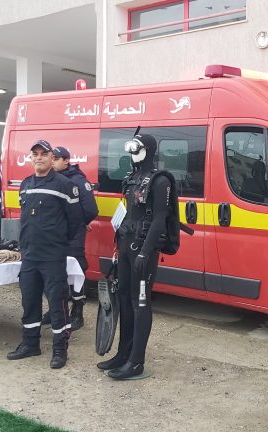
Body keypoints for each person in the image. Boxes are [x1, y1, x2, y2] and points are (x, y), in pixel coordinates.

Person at [96, 134, 171, 380]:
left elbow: (159, 220)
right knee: (125, 299)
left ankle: (136, 362)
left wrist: (146, 251)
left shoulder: (160, 181)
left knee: (140, 303)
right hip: (126, 246)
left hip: (142, 250)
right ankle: (123, 354)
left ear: (148, 150)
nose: (132, 153)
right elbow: (127, 213)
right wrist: (118, 247)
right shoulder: (131, 178)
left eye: (136, 148)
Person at [7, 139, 82, 369]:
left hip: (52, 256)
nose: (39, 157)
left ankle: (60, 349)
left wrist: (57, 242)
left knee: (57, 304)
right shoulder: (25, 184)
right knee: (29, 302)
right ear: (30, 158)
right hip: (29, 255)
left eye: (43, 154)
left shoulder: (65, 185)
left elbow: (75, 221)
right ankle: (31, 344)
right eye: (35, 154)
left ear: (51, 158)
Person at [41, 146, 98, 330]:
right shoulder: (51, 178)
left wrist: (77, 223)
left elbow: (91, 209)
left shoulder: (78, 181)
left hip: (72, 236)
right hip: (54, 235)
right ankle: (56, 310)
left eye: (57, 159)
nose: (53, 162)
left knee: (75, 272)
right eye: (52, 158)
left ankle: (77, 313)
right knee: (55, 273)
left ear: (66, 161)